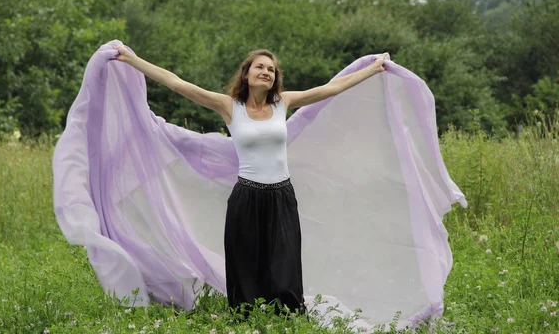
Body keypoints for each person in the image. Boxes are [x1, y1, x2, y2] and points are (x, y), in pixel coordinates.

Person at [113, 46, 387, 316]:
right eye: (260, 66)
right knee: (244, 263)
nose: (266, 72)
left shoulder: (283, 102)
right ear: (246, 73)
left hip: (281, 196)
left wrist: (373, 69)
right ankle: (245, 317)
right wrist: (132, 59)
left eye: (271, 69)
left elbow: (331, 89)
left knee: (284, 263)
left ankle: (287, 317)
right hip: (246, 196)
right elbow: (177, 83)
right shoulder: (229, 106)